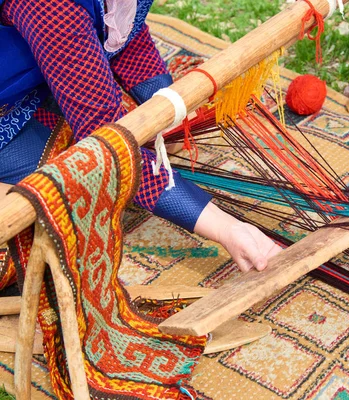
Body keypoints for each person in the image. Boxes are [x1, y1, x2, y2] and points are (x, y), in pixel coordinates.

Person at [0, 0, 281, 281]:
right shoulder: (52, 7)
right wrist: (225, 227)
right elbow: (109, 146)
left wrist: (172, 110)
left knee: (148, 133)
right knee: (60, 198)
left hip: (34, 78)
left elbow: (127, 41)